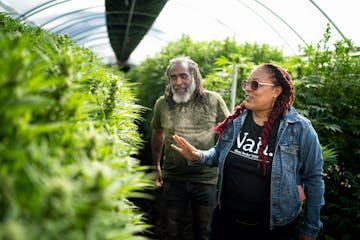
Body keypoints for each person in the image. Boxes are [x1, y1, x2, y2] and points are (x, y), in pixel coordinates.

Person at [171, 63, 325, 240]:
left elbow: (314, 179)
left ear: (276, 91)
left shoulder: (299, 129)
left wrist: (310, 228)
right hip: (226, 222)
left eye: (255, 85)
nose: (248, 90)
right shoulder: (236, 122)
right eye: (247, 84)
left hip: (272, 229)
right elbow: (218, 154)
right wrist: (198, 156)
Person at [151, 56, 230, 240]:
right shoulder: (162, 104)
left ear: (194, 76)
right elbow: (157, 133)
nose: (178, 82)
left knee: (205, 231)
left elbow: (228, 134)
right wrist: (156, 166)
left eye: (183, 76)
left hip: (206, 180)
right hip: (173, 178)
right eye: (173, 77)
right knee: (172, 230)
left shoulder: (213, 100)